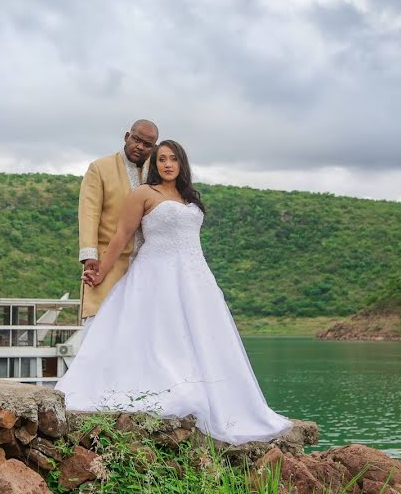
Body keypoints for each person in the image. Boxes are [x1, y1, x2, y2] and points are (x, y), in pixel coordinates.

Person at [57, 140, 292, 445]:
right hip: (155, 274)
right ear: (154, 165)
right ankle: (170, 388)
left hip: (195, 276)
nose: (167, 164)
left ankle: (224, 401)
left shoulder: (189, 196)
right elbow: (121, 236)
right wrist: (99, 269)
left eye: (173, 159)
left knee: (204, 336)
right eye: (161, 159)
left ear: (182, 163)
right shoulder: (143, 193)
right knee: (161, 336)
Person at [78, 119, 159, 320]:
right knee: (103, 321)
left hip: (148, 265)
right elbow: (89, 214)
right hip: (108, 261)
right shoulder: (100, 168)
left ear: (153, 147)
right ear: (126, 137)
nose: (140, 147)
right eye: (136, 139)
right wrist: (90, 256)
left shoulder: (158, 173)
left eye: (147, 144)